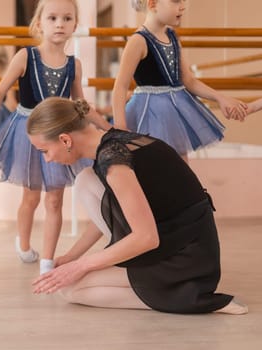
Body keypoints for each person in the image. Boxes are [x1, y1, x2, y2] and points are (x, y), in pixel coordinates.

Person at [27, 96, 248, 315]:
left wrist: (81, 266)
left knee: (68, 289)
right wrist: (71, 258)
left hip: (184, 260)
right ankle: (168, 287)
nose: (47, 159)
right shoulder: (114, 141)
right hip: (182, 241)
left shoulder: (113, 161)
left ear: (65, 140)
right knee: (85, 180)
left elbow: (146, 237)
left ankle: (182, 294)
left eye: (44, 151)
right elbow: (112, 211)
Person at [0, 0, 111, 275]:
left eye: (67, 18)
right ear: (39, 24)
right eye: (53, 18)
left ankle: (47, 261)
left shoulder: (74, 65)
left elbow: (81, 105)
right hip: (28, 133)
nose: (60, 24)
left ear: (75, 25)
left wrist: (107, 127)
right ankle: (23, 245)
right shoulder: (26, 57)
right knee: (31, 198)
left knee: (55, 200)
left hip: (59, 135)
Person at [112, 0, 247, 163]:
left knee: (180, 167)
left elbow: (189, 80)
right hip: (148, 115)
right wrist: (120, 127)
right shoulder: (138, 41)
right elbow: (120, 86)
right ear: (152, 4)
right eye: (176, 1)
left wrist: (220, 97)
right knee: (151, 165)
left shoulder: (172, 36)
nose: (183, 6)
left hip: (174, 114)